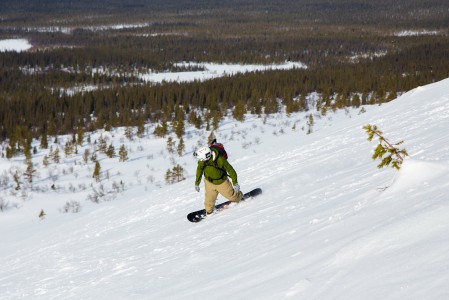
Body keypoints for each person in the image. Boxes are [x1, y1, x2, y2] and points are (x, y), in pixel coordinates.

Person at [194, 146, 243, 214]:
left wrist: (235, 183)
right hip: (209, 182)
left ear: (206, 157)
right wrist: (197, 183)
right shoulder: (202, 162)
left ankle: (240, 196)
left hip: (222, 183)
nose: (200, 160)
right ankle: (209, 212)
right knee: (209, 202)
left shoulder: (220, 160)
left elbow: (231, 171)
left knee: (234, 198)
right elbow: (199, 170)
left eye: (201, 159)